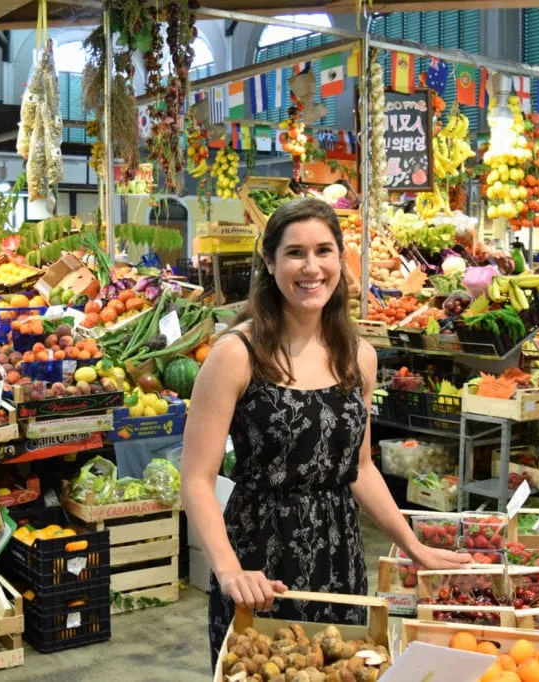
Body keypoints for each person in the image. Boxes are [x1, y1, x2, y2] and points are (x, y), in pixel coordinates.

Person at [180, 198, 471, 668]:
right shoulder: (237, 354)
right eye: (295, 253)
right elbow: (195, 478)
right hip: (259, 557)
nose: (310, 267)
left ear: (340, 259)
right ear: (270, 262)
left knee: (336, 670)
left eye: (323, 251)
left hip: (340, 553)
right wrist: (229, 569)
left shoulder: (359, 357)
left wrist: (413, 545)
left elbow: (359, 468)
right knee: (263, 671)